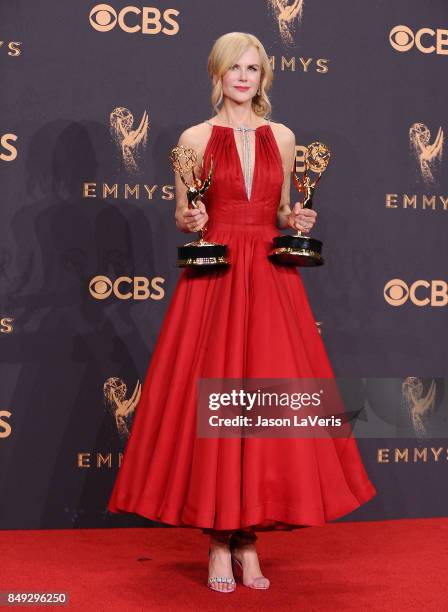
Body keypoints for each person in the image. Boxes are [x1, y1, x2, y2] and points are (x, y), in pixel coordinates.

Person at [107, 31, 377, 593]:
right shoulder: (193, 138)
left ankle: (249, 541)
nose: (244, 77)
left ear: (264, 77)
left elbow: (281, 211)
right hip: (215, 277)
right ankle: (217, 541)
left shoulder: (282, 137)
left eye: (254, 68)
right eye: (235, 67)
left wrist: (296, 220)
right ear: (217, 73)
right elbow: (184, 216)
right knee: (215, 399)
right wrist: (192, 219)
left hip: (271, 277)